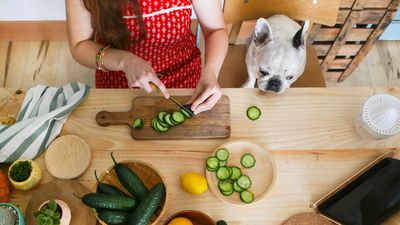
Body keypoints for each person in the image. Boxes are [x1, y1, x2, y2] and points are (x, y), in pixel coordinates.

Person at [66, 0, 228, 114]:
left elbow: (216, 30)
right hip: (118, 83)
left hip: (185, 82)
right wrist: (124, 61)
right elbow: (79, 45)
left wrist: (210, 73)